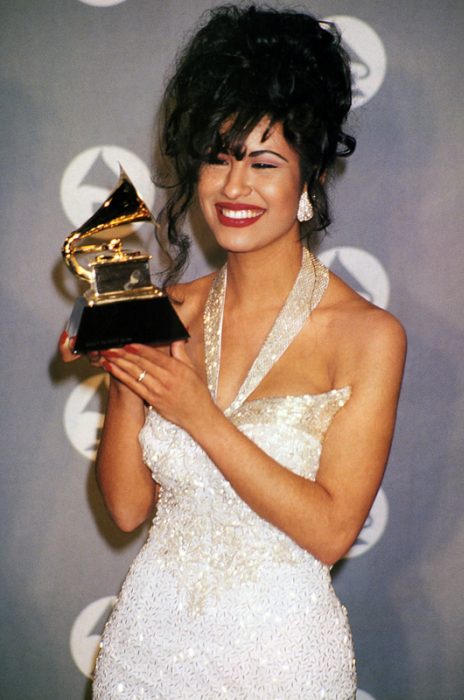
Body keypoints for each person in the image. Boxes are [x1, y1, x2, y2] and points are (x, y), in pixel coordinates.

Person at [60, 5, 405, 698]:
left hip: (282, 664)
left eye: (263, 162)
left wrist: (198, 412)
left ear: (308, 180)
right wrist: (132, 372)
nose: (233, 186)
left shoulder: (368, 336)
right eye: (217, 158)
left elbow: (333, 531)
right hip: (146, 654)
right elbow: (127, 510)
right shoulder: (171, 310)